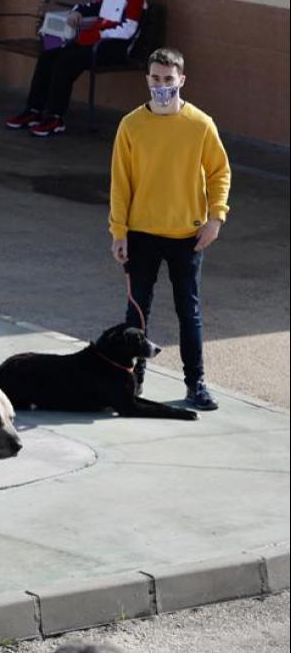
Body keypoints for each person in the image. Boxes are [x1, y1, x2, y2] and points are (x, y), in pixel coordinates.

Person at [109, 48, 230, 411]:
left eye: (169, 79)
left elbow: (219, 172)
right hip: (141, 235)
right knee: (137, 313)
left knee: (188, 311)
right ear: (147, 80)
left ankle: (197, 383)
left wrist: (215, 218)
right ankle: (133, 381)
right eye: (156, 79)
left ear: (182, 80)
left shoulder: (200, 124)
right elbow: (120, 182)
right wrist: (119, 231)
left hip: (187, 237)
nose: (162, 85)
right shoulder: (131, 125)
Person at [6, 0, 147, 137]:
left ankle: (56, 117)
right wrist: (77, 11)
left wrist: (98, 34)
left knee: (65, 63)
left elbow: (128, 30)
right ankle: (33, 110)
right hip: (95, 41)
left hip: (112, 48)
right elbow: (96, 6)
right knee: (49, 56)